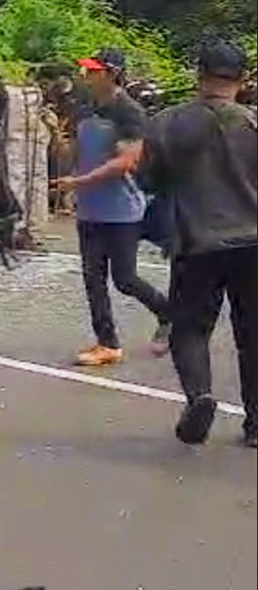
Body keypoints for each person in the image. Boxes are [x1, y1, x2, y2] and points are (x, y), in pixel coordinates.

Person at [139, 37, 257, 447]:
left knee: (188, 328)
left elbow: (147, 179)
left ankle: (200, 395)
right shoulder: (253, 123)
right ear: (242, 80)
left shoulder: (168, 123)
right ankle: (256, 425)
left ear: (198, 76)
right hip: (253, 244)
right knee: (253, 334)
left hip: (196, 241)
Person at [51, 48, 171, 366]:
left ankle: (168, 312)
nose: (87, 76)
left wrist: (79, 182)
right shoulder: (85, 108)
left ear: (110, 74)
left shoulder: (128, 113)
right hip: (89, 210)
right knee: (93, 279)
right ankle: (107, 344)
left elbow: (126, 162)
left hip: (121, 211)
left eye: (93, 71)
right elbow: (76, 149)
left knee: (125, 278)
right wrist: (64, 154)